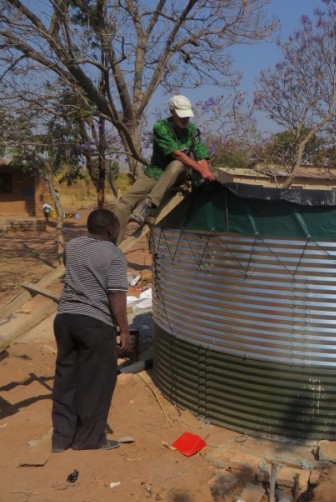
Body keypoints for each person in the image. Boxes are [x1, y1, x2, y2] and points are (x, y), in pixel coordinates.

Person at [51, 209, 134, 452]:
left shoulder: (73, 245)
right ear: (110, 229)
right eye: (118, 227)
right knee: (96, 382)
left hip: (65, 319)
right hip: (94, 323)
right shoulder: (114, 255)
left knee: (66, 379)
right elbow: (116, 295)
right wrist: (125, 331)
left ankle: (61, 439)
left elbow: (73, 272)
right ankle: (89, 439)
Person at [113, 94, 216, 244]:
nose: (185, 119)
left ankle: (148, 204)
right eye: (181, 116)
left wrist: (205, 171)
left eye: (187, 116)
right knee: (123, 204)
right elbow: (177, 154)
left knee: (177, 165)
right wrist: (202, 170)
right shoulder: (161, 127)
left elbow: (201, 155)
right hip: (157, 171)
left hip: (181, 173)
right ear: (172, 111)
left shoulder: (193, 130)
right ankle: (111, 246)